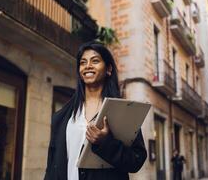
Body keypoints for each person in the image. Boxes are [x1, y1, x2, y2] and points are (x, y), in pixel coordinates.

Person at [44, 41, 147, 180]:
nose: (88, 66)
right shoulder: (61, 117)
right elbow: (52, 166)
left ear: (109, 69)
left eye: (95, 61)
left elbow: (136, 160)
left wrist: (106, 143)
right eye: (83, 62)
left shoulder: (123, 111)